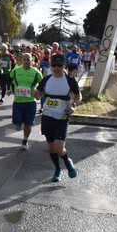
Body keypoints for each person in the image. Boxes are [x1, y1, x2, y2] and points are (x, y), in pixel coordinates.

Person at [34, 54, 81, 182]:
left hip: (62, 118)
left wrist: (74, 106)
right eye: (54, 65)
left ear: (64, 65)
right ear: (51, 65)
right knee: (51, 148)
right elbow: (37, 94)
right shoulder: (46, 79)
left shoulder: (70, 81)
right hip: (47, 117)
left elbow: (78, 96)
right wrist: (36, 94)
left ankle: (67, 162)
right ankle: (57, 169)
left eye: (59, 65)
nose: (56, 68)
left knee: (59, 148)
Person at [8, 53, 43, 150]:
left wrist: (38, 93)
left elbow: (42, 84)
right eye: (25, 60)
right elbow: (9, 79)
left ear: (32, 61)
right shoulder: (15, 71)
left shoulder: (36, 73)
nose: (27, 62)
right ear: (21, 60)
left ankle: (25, 140)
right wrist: (10, 89)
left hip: (30, 102)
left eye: (28, 60)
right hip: (18, 102)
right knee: (17, 123)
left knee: (28, 123)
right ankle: (18, 123)